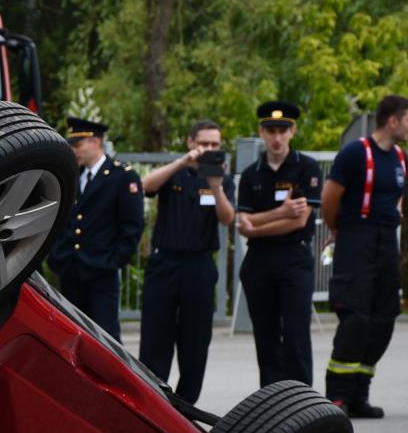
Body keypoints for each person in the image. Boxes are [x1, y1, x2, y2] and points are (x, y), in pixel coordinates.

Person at [321, 94, 408, 418]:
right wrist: (339, 229)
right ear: (393, 120)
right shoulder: (356, 153)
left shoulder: (401, 158)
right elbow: (330, 199)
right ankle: (337, 397)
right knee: (355, 318)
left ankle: (359, 394)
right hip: (356, 239)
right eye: (407, 119)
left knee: (383, 319)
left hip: (387, 243)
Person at [138, 120, 236, 403]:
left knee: (195, 342)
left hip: (199, 266)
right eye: (204, 143)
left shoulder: (221, 179)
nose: (209, 149)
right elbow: (146, 185)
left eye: (215, 145)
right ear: (190, 142)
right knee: (156, 338)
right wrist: (183, 162)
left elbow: (227, 218)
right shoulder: (175, 173)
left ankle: (185, 407)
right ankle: (153, 402)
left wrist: (216, 187)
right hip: (165, 264)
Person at [235, 100, 324, 387]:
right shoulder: (251, 174)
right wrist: (280, 213)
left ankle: (301, 403)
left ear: (292, 131)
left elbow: (298, 221)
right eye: (271, 130)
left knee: (296, 336)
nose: (276, 137)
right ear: (261, 132)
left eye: (282, 131)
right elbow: (243, 227)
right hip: (259, 260)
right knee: (266, 336)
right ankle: (272, 402)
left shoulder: (306, 168)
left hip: (294, 258)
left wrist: (258, 224)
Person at [46, 117, 144, 339]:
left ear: (96, 143)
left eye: (78, 145)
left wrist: (114, 261)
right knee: (71, 335)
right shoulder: (74, 176)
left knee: (104, 336)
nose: (74, 151)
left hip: (101, 270)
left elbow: (132, 226)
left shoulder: (121, 176)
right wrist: (58, 255)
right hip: (71, 268)